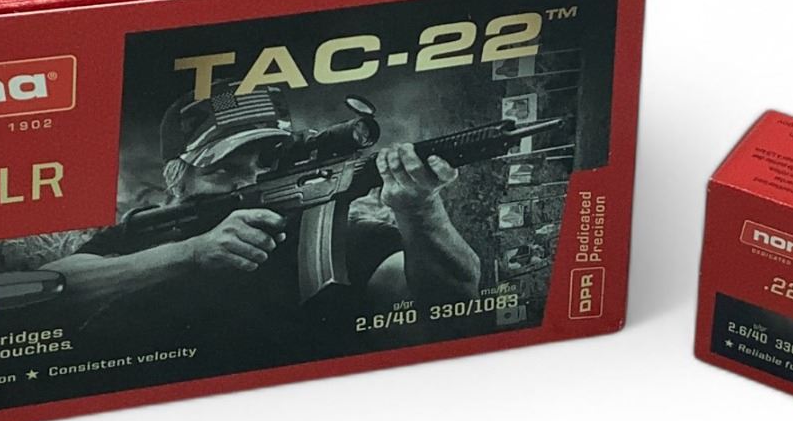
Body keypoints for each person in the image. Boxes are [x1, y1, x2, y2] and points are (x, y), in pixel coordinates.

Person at [40, 88, 481, 374]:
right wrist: (191, 253)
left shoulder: (337, 235)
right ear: (177, 177)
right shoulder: (151, 233)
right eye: (224, 168)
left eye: (268, 163)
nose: (249, 180)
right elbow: (49, 290)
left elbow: (453, 296)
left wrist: (420, 209)